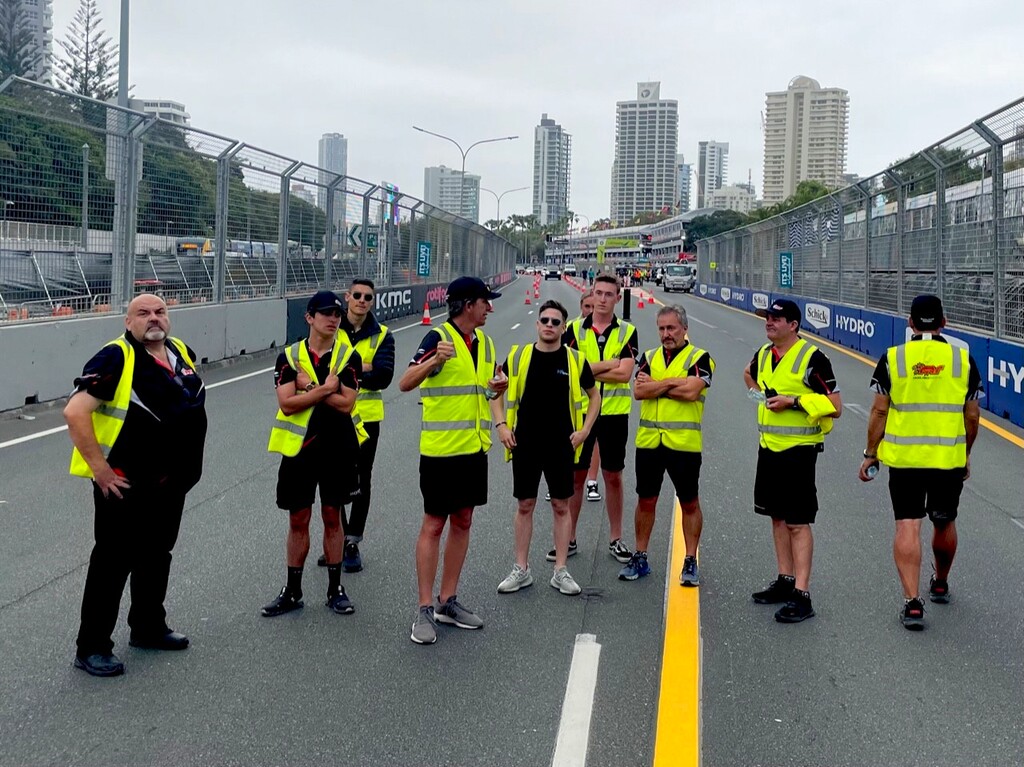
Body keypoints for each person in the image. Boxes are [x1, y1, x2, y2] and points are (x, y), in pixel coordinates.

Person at [65, 294, 208, 677]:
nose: (153, 318)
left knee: (157, 555)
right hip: (125, 486)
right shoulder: (115, 357)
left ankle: (147, 626)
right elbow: (75, 411)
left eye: (160, 311)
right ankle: (92, 646)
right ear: (128, 322)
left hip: (171, 482)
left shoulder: (180, 352)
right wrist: (101, 470)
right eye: (143, 313)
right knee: (112, 564)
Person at [858, 295, 982, 630]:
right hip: (947, 459)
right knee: (944, 522)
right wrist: (965, 453)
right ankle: (940, 581)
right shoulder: (963, 359)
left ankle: (912, 603)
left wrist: (871, 452)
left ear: (910, 323)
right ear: (944, 322)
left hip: (905, 459)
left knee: (907, 525)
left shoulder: (893, 358)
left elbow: (880, 411)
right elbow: (972, 416)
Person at [398, 276, 505, 645]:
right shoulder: (437, 338)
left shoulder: (486, 343)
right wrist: (433, 363)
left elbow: (483, 389)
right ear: (465, 305)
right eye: (484, 302)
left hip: (474, 449)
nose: (490, 308)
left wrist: (497, 388)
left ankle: (448, 601)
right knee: (433, 524)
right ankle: (424, 608)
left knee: (464, 520)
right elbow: (406, 382)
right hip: (441, 450)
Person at [261, 290, 366, 619]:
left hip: (337, 448)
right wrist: (322, 389)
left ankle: (335, 588)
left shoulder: (348, 356)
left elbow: (347, 403)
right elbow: (287, 405)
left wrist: (307, 388)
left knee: (333, 518)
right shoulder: (289, 358)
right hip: (300, 451)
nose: (333, 319)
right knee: (298, 519)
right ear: (309, 317)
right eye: (325, 313)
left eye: (337, 314)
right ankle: (292, 590)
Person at [492, 300, 601, 597]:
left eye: (556, 322)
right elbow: (494, 390)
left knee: (560, 505)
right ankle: (521, 569)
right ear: (537, 324)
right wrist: (501, 425)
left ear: (564, 328)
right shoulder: (518, 356)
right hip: (525, 442)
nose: (550, 325)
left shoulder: (576, 360)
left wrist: (585, 430)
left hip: (561, 443)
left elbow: (595, 396)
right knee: (525, 504)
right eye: (545, 320)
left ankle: (560, 571)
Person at [743, 299, 842, 623]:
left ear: (794, 325)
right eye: (767, 317)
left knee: (798, 522)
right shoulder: (764, 355)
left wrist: (794, 401)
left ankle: (802, 594)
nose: (769, 322)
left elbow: (835, 405)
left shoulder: (813, 358)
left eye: (777, 318)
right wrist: (762, 397)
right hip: (769, 446)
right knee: (777, 517)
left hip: (799, 450)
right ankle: (785, 580)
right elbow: (748, 374)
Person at [619, 305, 714, 584]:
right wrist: (674, 383)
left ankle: (690, 561)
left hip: (683, 444)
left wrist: (658, 384)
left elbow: (692, 391)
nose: (666, 334)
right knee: (646, 500)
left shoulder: (700, 357)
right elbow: (638, 391)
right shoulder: (648, 357)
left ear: (684, 328)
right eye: (661, 328)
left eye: (671, 328)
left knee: (689, 503)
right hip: (649, 443)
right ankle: (641, 556)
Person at [315, 278, 395, 573]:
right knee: (333, 479)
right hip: (333, 415)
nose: (362, 301)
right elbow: (320, 367)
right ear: (347, 297)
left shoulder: (384, 335)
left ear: (373, 302)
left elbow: (384, 376)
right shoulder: (331, 328)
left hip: (367, 418)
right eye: (357, 295)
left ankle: (351, 543)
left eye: (368, 297)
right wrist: (362, 368)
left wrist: (345, 371)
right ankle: (336, 540)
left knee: (361, 480)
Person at [563, 274, 639, 566]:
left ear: (618, 298)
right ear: (591, 296)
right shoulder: (572, 329)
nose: (603, 299)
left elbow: (624, 374)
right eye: (599, 293)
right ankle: (568, 538)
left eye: (610, 294)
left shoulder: (628, 331)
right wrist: (610, 364)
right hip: (580, 412)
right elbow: (568, 370)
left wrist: (588, 368)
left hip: (614, 414)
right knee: (576, 477)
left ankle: (616, 539)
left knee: (613, 477)